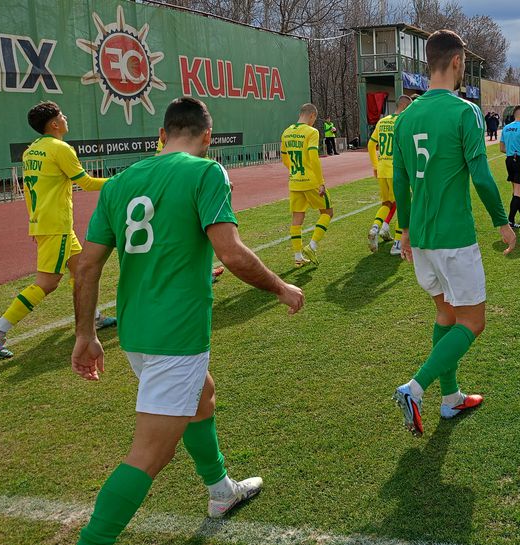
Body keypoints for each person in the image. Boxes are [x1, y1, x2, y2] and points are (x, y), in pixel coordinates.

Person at [71, 97, 305, 544]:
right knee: (149, 456)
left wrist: (85, 333)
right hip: (175, 335)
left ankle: (221, 491)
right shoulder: (206, 172)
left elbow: (87, 265)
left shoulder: (119, 183)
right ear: (207, 138)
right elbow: (231, 252)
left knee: (203, 396)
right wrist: (280, 287)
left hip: (137, 331)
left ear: (162, 135)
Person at [391, 29, 516, 437]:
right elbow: (480, 175)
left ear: (429, 62)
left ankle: (451, 397)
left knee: (446, 314)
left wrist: (405, 229)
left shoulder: (404, 117)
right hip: (454, 238)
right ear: (458, 61)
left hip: (422, 237)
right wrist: (502, 220)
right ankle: (415, 388)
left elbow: (400, 180)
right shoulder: (465, 111)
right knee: (473, 322)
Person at [0, 101, 116, 359]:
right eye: (62, 115)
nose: (66, 118)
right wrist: (122, 180)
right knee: (47, 282)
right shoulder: (60, 148)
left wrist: (34, 221)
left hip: (45, 223)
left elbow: (29, 190)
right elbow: (86, 183)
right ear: (54, 124)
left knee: (81, 271)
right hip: (57, 225)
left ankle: (93, 317)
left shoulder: (31, 151)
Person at [157, 136, 226, 284]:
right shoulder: (186, 140)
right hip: (180, 192)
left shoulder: (172, 140)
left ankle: (205, 271)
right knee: (191, 233)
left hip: (174, 190)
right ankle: (203, 274)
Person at [281, 104, 333, 266]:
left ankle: (298, 257)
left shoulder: (286, 132)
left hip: (295, 181)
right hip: (311, 181)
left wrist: (295, 171)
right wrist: (321, 182)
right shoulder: (312, 132)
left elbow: (284, 158)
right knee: (327, 212)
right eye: (314, 119)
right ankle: (312, 246)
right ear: (312, 115)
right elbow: (313, 158)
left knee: (297, 218)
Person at [367, 95, 412, 255]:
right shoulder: (404, 121)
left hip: (382, 169)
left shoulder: (382, 121)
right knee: (403, 204)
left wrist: (375, 165)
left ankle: (375, 228)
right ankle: (397, 244)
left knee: (386, 203)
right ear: (405, 107)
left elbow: (371, 144)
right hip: (397, 170)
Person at [499, 104, 520, 228]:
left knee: (516, 190)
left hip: (509, 160)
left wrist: (511, 152)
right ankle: (510, 220)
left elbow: (502, 148)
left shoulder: (506, 128)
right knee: (518, 192)